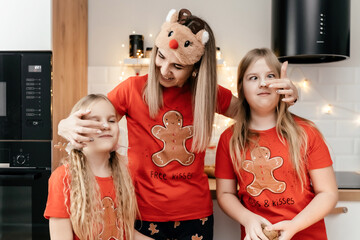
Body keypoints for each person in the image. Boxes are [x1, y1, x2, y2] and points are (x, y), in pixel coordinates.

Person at [57, 10, 299, 240]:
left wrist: (285, 98)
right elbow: (96, 118)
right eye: (161, 58)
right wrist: (64, 125)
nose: (164, 70)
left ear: (195, 68)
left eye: (178, 66)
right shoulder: (131, 89)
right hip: (142, 213)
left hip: (195, 217)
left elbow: (255, 113)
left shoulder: (207, 93)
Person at [215, 48, 338, 240]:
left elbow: (328, 193)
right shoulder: (229, 139)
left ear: (282, 84)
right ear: (242, 88)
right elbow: (224, 193)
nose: (263, 83)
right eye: (253, 78)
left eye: (270, 76)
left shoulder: (306, 132)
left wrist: (294, 226)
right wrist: (247, 218)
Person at [44, 94, 142, 240]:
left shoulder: (126, 173)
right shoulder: (63, 178)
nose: (105, 125)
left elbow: (127, 233)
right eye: (95, 122)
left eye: (111, 120)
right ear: (76, 131)